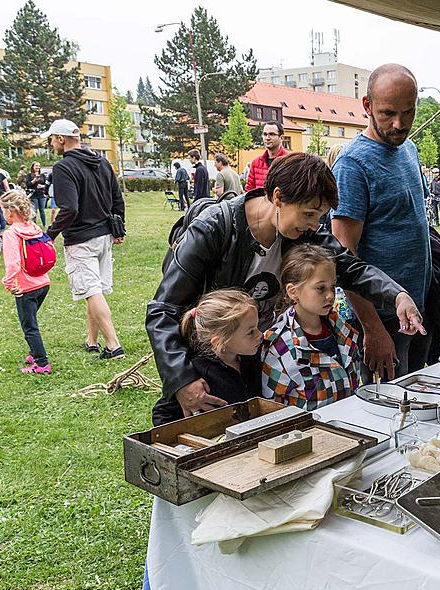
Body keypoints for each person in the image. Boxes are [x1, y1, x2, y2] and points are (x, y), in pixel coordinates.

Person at [148, 152, 424, 422]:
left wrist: (397, 295)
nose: (314, 226)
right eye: (308, 214)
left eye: (320, 217)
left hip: (253, 358)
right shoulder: (212, 229)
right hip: (208, 369)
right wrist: (182, 379)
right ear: (278, 197)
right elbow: (163, 310)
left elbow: (350, 267)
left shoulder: (302, 232)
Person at [331, 63, 432, 383]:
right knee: (389, 413)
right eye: (388, 113)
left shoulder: (409, 148)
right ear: (367, 106)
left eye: (409, 112)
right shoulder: (352, 164)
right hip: (380, 318)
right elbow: (344, 258)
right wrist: (373, 330)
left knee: (418, 399)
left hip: (415, 309)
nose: (399, 124)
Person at [42, 119, 126, 360]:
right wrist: (118, 229)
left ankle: (113, 345)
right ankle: (92, 340)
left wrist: (50, 235)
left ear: (61, 139)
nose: (50, 143)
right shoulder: (101, 161)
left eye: (51, 138)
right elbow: (117, 199)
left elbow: (69, 209)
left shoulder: (63, 168)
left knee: (91, 291)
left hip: (81, 239)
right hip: (104, 237)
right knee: (95, 289)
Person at [261, 244, 361, 410]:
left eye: (333, 286)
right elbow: (272, 409)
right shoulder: (278, 347)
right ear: (293, 291)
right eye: (320, 288)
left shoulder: (342, 329)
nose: (330, 295)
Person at [151, 289, 263, 425]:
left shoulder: (252, 360)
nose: (260, 335)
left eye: (257, 327)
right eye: (250, 332)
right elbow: (162, 414)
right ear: (219, 342)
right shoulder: (198, 374)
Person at [0, 190, 52, 374]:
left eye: (3, 210)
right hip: (43, 283)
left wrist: (8, 283)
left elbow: (13, 263)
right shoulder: (34, 228)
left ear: (10, 212)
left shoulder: (11, 233)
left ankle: (42, 363)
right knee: (31, 318)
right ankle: (34, 351)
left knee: (29, 326)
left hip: (25, 286)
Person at [245, 121, 289, 191]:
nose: (267, 138)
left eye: (272, 134)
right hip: (260, 201)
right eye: (265, 134)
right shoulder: (256, 163)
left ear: (281, 138)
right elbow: (249, 190)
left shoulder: (290, 161)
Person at [25, 162, 48, 228]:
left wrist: (42, 186)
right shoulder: (29, 175)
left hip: (41, 194)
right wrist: (35, 180)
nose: (38, 167)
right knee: (34, 210)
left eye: (39, 166)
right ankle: (33, 224)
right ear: (33, 167)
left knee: (42, 210)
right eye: (36, 166)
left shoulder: (42, 175)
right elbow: (28, 184)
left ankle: (44, 224)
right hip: (33, 194)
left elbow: (46, 184)